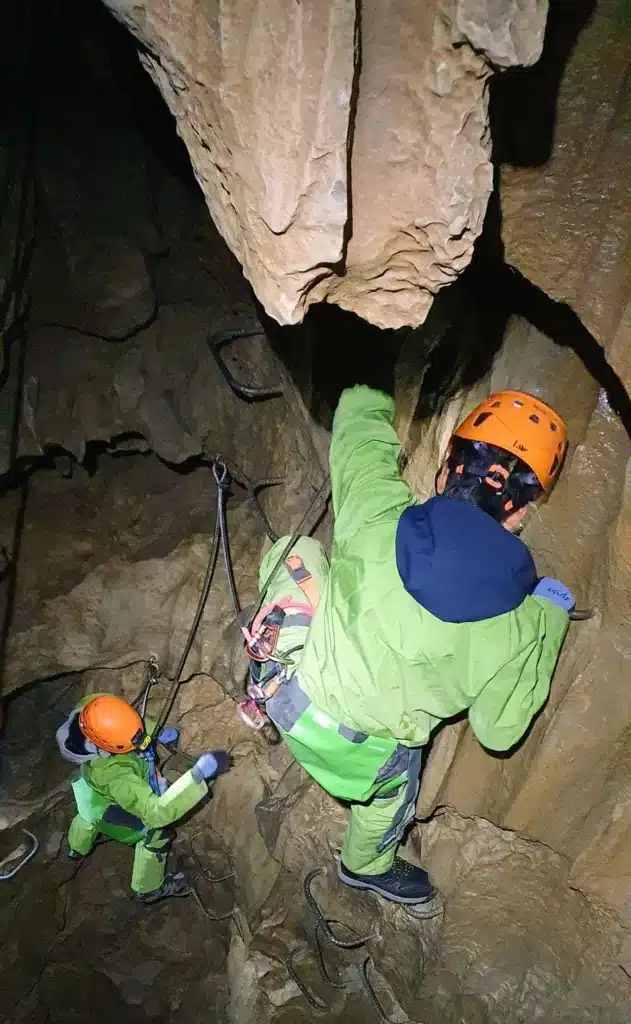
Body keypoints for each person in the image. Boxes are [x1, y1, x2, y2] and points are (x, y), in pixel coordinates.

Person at [244, 385, 573, 906]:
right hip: (364, 764)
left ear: (445, 472)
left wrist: (371, 378)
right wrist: (551, 613)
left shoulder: (378, 511)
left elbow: (357, 431)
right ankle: (365, 867)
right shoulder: (520, 625)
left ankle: (269, 650)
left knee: (295, 551)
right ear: (519, 516)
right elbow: (497, 730)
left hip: (290, 695)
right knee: (395, 792)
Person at [57, 692, 230, 903]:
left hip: (88, 792)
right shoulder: (115, 775)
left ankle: (76, 848)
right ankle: (147, 888)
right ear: (109, 747)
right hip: (106, 809)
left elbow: (126, 721)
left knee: (85, 816)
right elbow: (156, 814)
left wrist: (156, 731)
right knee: (157, 833)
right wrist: (198, 775)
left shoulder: (93, 709)